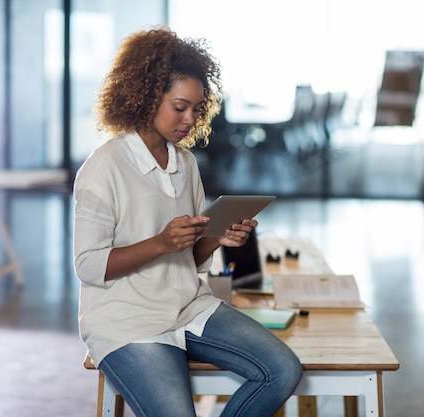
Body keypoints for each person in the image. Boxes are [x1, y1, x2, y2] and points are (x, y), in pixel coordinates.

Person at [73, 26, 302, 417]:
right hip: (129, 322)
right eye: (179, 106)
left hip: (188, 307)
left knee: (282, 369)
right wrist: (160, 243)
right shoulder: (103, 167)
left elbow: (190, 259)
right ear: (145, 97)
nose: (189, 118)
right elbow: (88, 266)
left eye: (196, 108)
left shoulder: (185, 162)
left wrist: (217, 237)